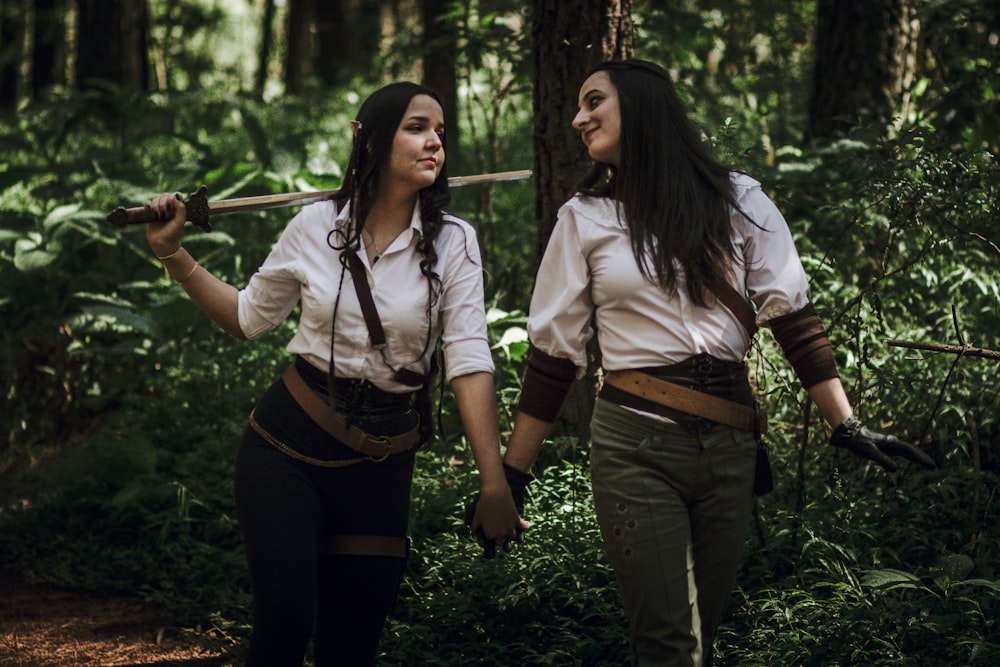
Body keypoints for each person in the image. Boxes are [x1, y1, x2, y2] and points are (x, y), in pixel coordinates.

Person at [498, 60, 936, 667]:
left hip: (730, 445)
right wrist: (510, 479)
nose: (577, 119)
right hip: (634, 447)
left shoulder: (739, 199)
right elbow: (553, 358)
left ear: (643, 105)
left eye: (594, 101)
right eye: (577, 106)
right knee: (670, 646)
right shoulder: (584, 218)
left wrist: (846, 422)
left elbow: (791, 315)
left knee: (702, 639)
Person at [143, 82, 525, 666]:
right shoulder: (315, 225)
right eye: (417, 127)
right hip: (285, 446)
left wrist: (494, 482)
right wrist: (174, 254)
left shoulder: (456, 243)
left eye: (441, 133)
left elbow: (469, 359)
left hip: (381, 462)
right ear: (370, 139)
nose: (435, 143)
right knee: (287, 622)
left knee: (352, 647)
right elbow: (247, 319)